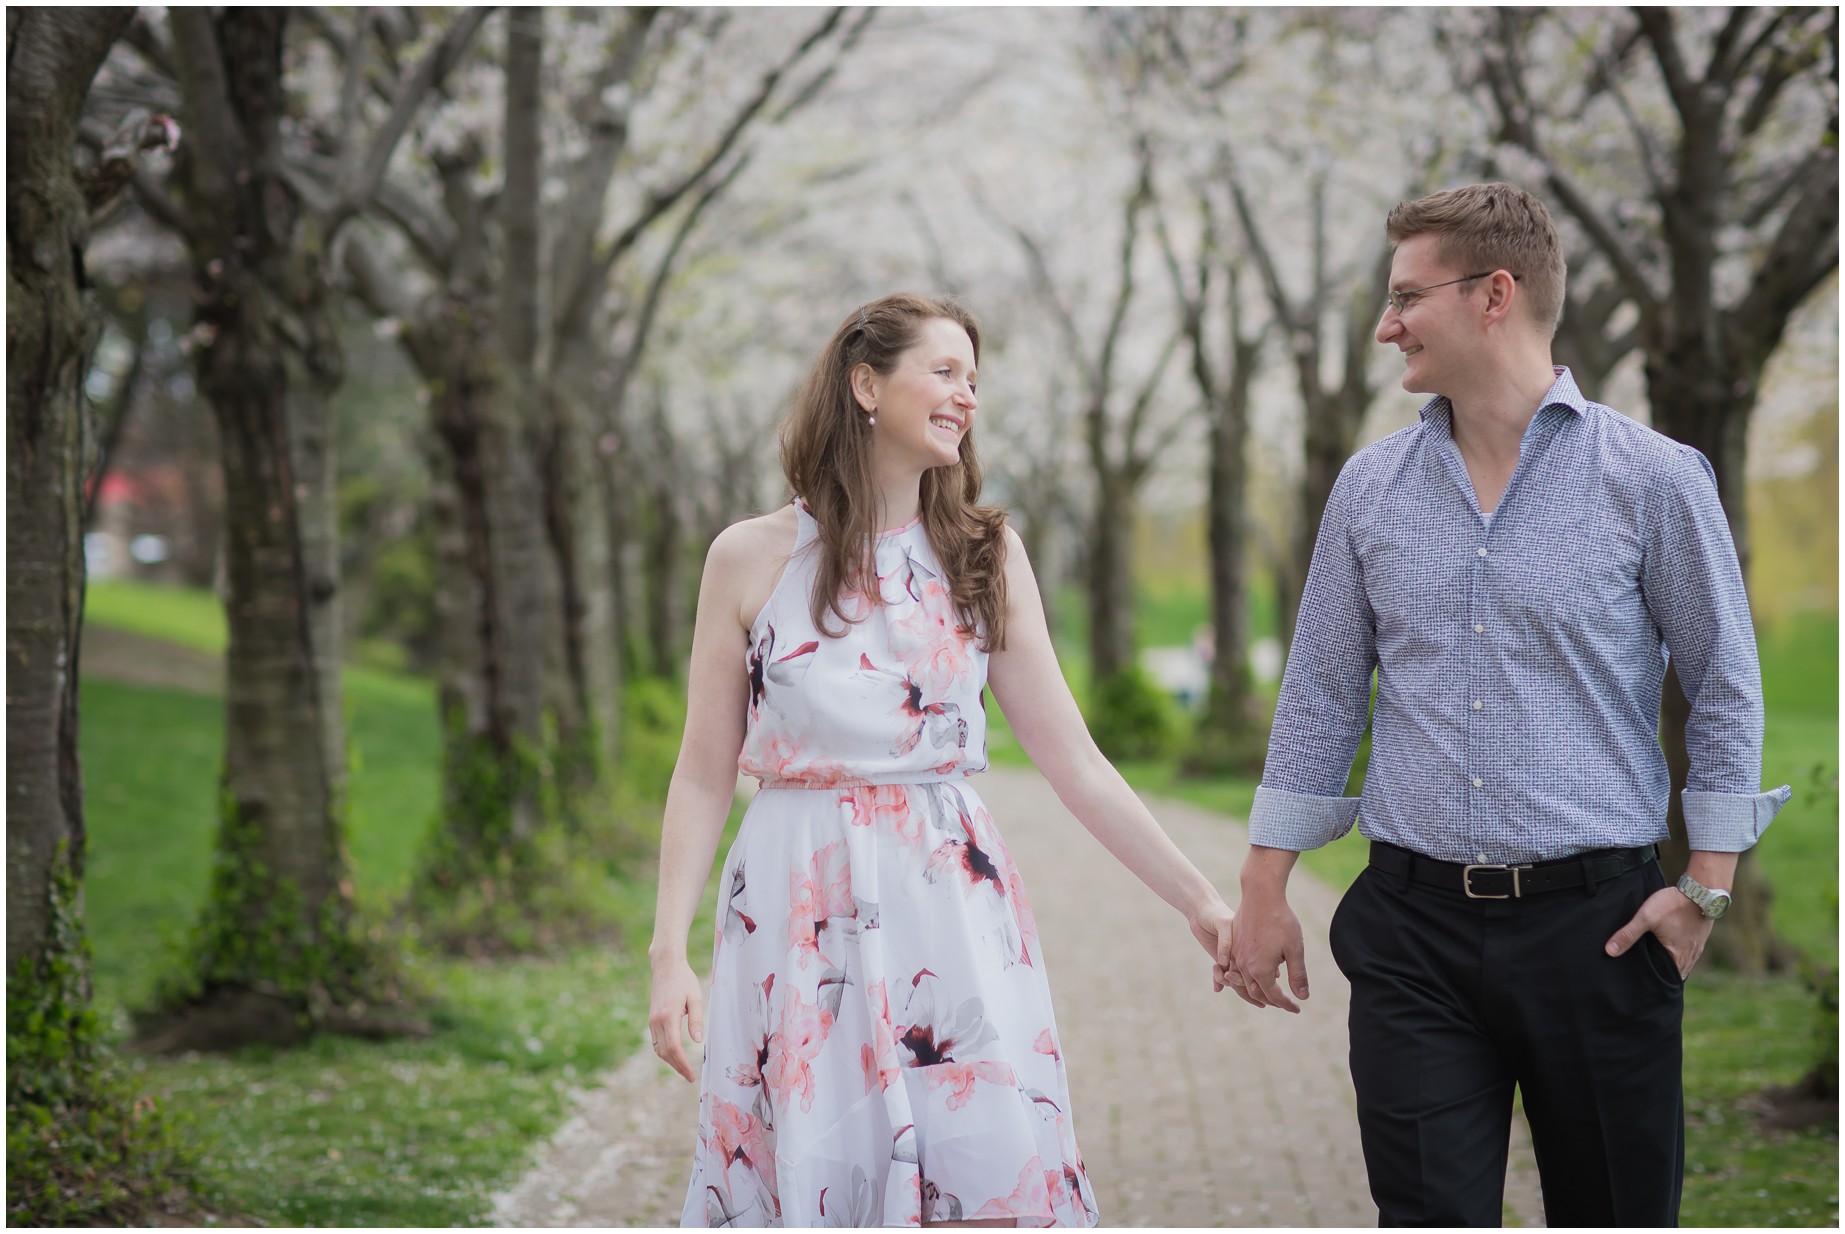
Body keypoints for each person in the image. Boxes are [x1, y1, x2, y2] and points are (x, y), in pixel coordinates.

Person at [1222, 183, 1790, 1227]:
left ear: (1495, 293)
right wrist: (1265, 885)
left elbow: (1724, 683)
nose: (1386, 325)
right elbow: (1320, 692)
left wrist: (1705, 885)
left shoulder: (1654, 481)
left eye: (1406, 296)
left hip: (1602, 931)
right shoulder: (1369, 488)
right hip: (1413, 937)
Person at [649, 293, 1237, 1228]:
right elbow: (703, 768)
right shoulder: (749, 558)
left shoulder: (983, 556)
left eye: (974, 378)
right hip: (792, 902)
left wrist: (1203, 902)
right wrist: (666, 951)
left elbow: (1074, 763)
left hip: (947, 905)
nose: (966, 395)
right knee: (813, 1154)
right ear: (866, 384)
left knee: (974, 1164)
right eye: (945, 370)